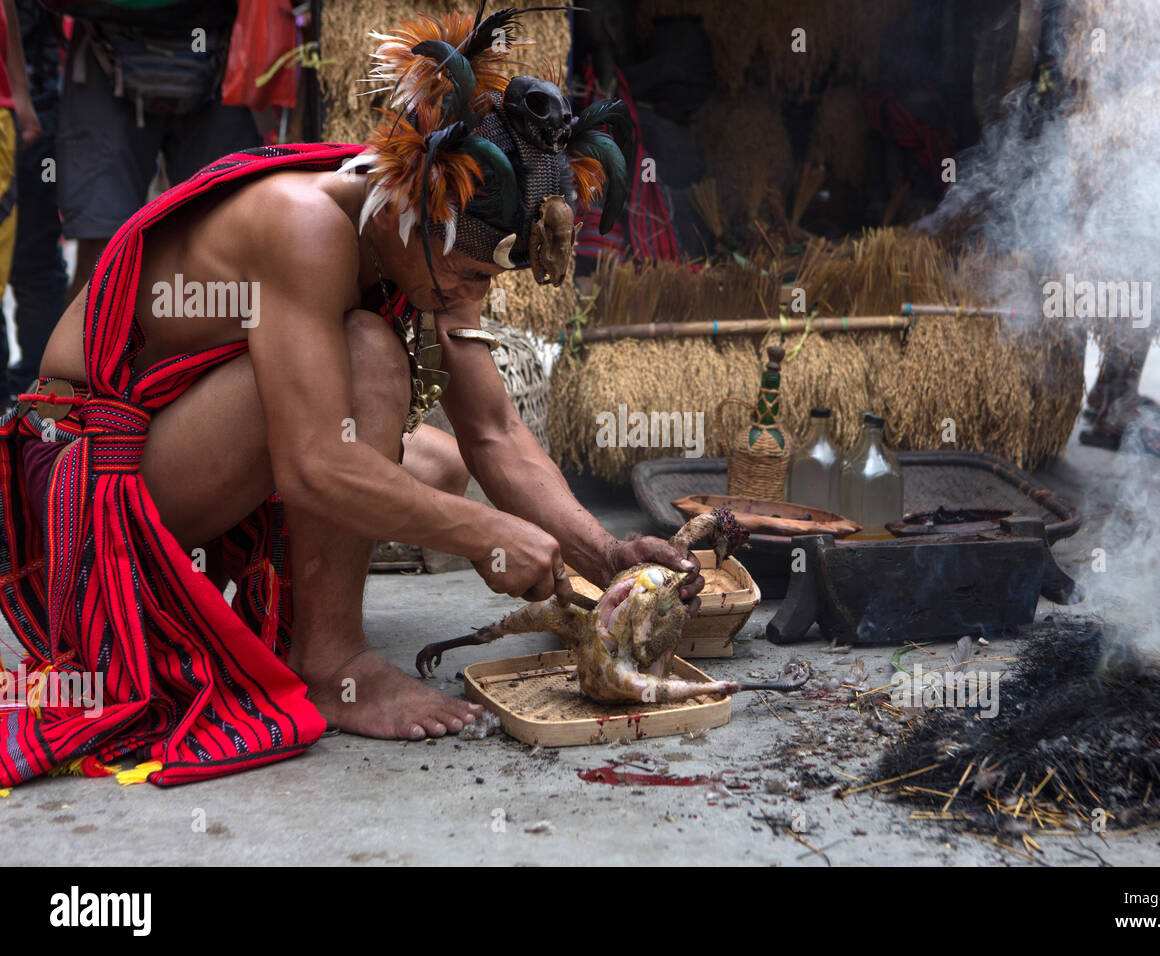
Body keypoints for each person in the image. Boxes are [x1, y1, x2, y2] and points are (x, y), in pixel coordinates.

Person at [0, 11, 702, 788]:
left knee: (434, 471)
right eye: (469, 277)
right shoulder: (305, 226)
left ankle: (314, 615)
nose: (473, 295)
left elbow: (495, 433)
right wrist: (487, 536)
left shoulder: (427, 238)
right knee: (370, 360)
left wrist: (600, 552)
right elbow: (311, 467)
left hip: (179, 442)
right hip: (80, 489)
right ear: (415, 213)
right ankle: (332, 661)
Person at [55, 0, 260, 301]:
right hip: (103, 41)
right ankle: (93, 342)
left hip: (219, 45)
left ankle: (206, 342)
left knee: (228, 238)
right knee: (101, 255)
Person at [1, 0, 66, 402]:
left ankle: (40, 393)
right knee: (38, 266)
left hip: (25, 107)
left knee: (37, 263)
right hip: (28, 102)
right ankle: (41, 396)